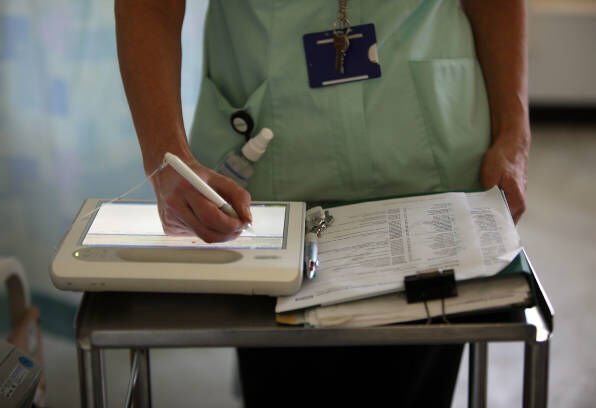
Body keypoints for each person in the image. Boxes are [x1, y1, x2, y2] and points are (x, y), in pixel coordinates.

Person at [115, 0, 530, 406]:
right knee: (284, 381)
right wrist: (165, 156)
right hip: (269, 163)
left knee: (415, 382)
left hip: (429, 155)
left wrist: (515, 134)